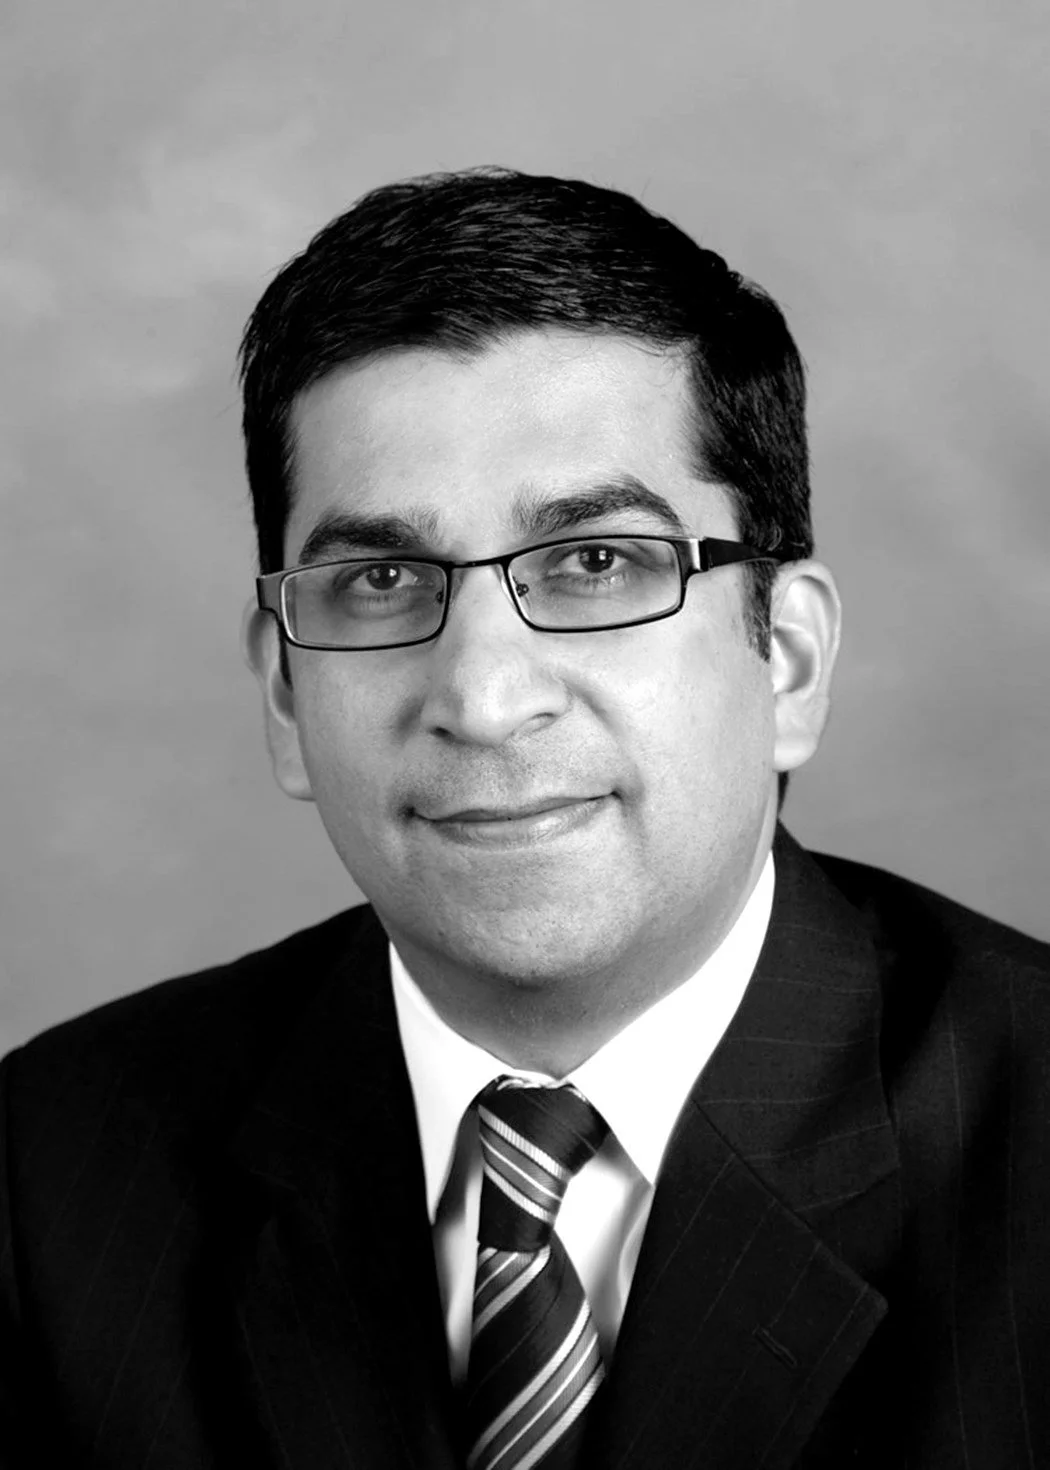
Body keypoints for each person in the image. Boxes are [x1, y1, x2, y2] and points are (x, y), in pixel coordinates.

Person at [1, 168, 1047, 1470]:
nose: (484, 697)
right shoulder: (49, 1173)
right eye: (380, 578)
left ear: (783, 655)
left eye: (595, 562)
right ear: (283, 686)